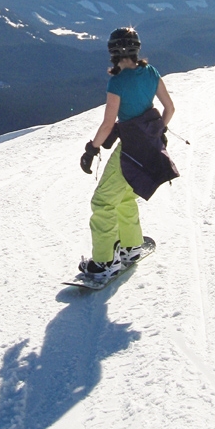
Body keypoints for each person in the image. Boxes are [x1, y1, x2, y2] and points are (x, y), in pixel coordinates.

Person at [78, 27, 176, 281]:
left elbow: (109, 124)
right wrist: (158, 130)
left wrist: (92, 149)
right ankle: (131, 247)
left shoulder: (117, 82)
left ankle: (104, 262)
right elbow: (169, 108)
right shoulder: (151, 72)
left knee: (102, 202)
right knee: (125, 197)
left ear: (112, 51)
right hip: (150, 147)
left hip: (130, 148)